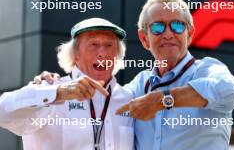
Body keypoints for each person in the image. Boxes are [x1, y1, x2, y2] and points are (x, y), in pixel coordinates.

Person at [34, 0, 234, 150]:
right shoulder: (138, 85)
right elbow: (101, 96)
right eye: (158, 28)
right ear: (144, 39)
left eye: (177, 26)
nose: (168, 34)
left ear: (190, 34)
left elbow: (228, 91)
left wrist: (164, 100)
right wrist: (53, 85)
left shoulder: (207, 69)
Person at [0, 18, 134, 150]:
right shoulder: (49, 88)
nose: (102, 53)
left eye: (109, 45)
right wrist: (57, 93)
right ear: (75, 54)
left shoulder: (129, 98)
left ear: (117, 55)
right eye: (93, 44)